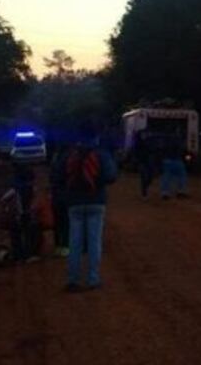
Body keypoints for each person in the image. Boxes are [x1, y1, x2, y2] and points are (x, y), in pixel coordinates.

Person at [64, 125, 118, 292]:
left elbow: (57, 175)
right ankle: (93, 279)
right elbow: (111, 176)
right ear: (96, 136)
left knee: (75, 243)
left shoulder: (70, 154)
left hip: (74, 203)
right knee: (94, 242)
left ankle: (73, 280)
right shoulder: (101, 153)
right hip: (96, 201)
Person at [2, 163, 39, 263]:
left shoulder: (15, 187)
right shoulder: (30, 187)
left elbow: (4, 199)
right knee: (29, 234)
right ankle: (29, 254)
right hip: (27, 214)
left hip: (17, 215)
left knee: (16, 235)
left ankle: (18, 255)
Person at [49, 144, 71, 257]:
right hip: (66, 193)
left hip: (56, 193)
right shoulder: (70, 158)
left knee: (58, 221)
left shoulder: (55, 158)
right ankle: (66, 245)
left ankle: (58, 245)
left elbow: (51, 176)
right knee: (66, 221)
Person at [160, 128, 188, 200]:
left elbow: (162, 149)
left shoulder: (165, 140)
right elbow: (182, 149)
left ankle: (165, 192)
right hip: (177, 159)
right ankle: (181, 191)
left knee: (166, 176)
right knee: (182, 176)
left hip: (167, 160)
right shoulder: (178, 140)